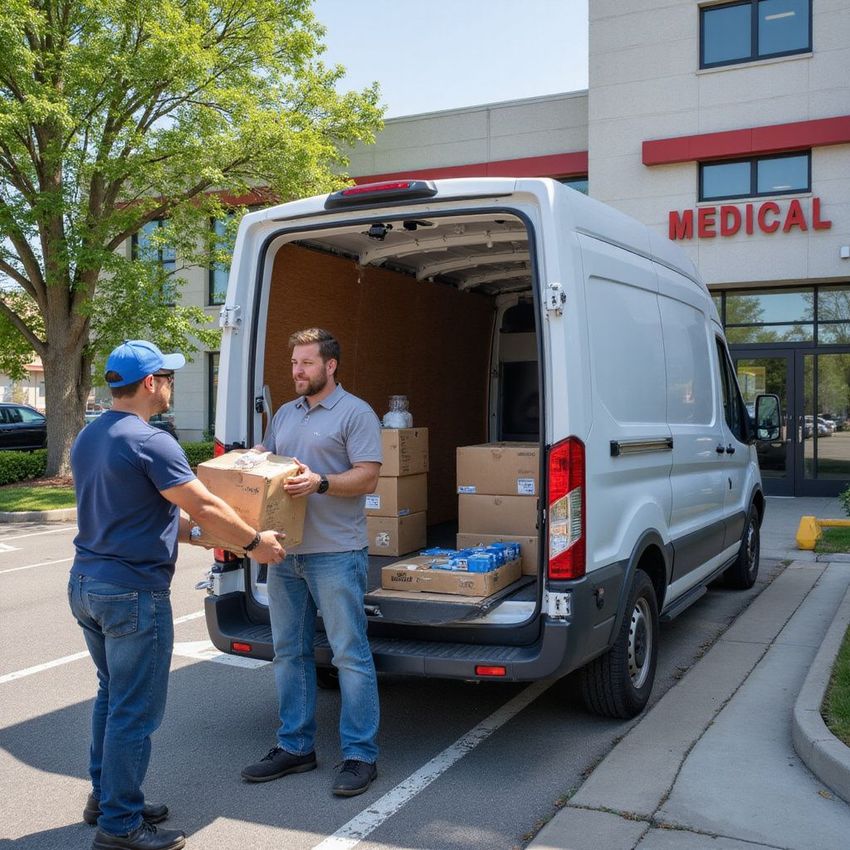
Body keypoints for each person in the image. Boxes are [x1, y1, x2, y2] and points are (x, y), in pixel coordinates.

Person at [69, 340, 285, 850]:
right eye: (166, 376)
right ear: (149, 383)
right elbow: (205, 506)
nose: (171, 385)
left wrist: (194, 534)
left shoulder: (90, 435)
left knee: (111, 695)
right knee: (134, 709)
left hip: (86, 583)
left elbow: (145, 512)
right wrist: (254, 543)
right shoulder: (151, 441)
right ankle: (120, 826)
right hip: (132, 593)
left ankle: (107, 798)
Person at [241, 328, 382, 797]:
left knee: (349, 654)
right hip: (284, 552)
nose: (297, 371)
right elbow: (270, 456)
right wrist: (252, 460)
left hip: (336, 553)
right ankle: (295, 747)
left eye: (306, 363)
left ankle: (360, 755)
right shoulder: (285, 412)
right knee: (289, 652)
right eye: (294, 363)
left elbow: (367, 477)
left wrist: (321, 482)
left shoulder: (355, 412)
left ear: (330, 365)